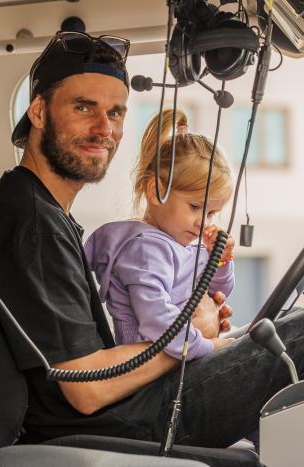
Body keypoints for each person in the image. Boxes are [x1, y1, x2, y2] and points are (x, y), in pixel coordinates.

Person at [0, 31, 304, 449]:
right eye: (84, 108)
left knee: (286, 334)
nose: (104, 128)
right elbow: (85, 388)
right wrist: (189, 335)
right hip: (113, 422)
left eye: (115, 113)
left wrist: (200, 334)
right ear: (38, 111)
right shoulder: (34, 222)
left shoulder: (19, 203)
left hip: (113, 408)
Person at [85, 108, 236, 361]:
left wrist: (221, 259)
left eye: (211, 213)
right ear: (156, 191)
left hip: (184, 356)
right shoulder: (147, 251)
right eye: (195, 207)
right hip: (153, 375)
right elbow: (157, 321)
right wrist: (208, 347)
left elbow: (219, 293)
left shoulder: (181, 242)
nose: (203, 222)